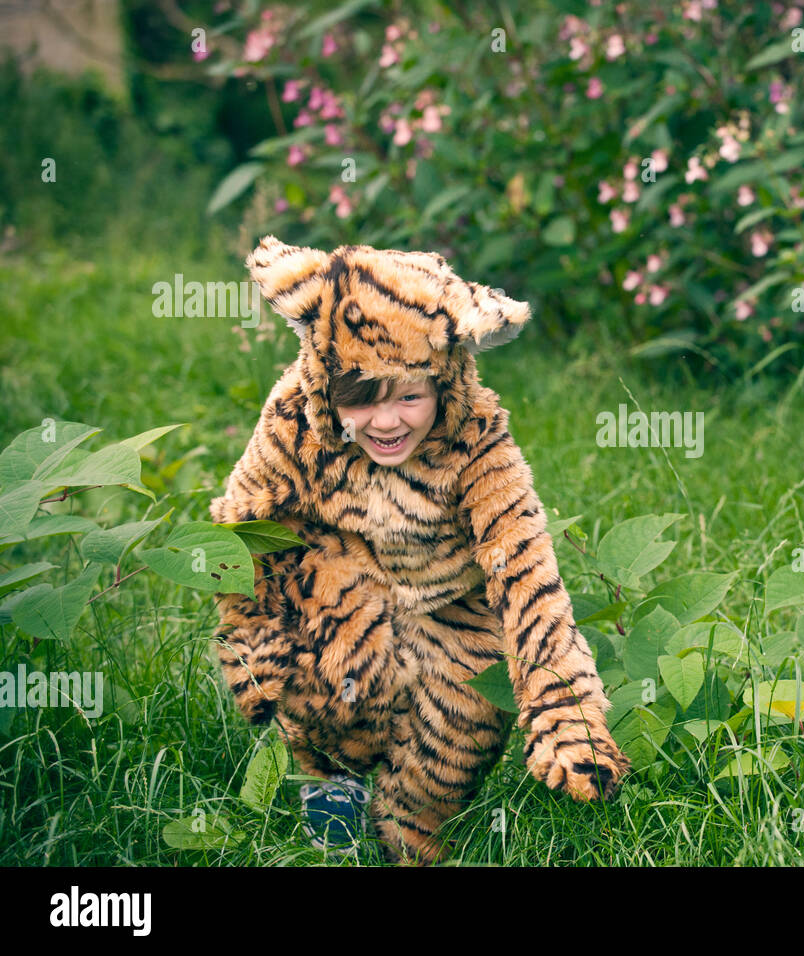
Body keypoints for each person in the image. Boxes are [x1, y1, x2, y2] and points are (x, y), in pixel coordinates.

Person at [209, 236, 630, 863]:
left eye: (409, 396)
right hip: (342, 590)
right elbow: (241, 530)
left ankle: (415, 830)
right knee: (340, 664)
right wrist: (250, 639)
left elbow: (528, 576)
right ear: (326, 384)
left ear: (446, 377)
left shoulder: (477, 443)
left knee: (459, 729)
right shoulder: (294, 424)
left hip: (452, 614)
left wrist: (563, 709)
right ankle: (330, 780)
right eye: (361, 397)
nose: (386, 422)